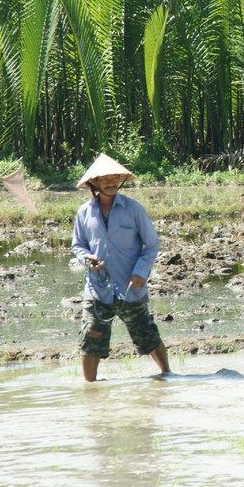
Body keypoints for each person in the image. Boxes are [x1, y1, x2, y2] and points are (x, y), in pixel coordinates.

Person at [71, 153, 170, 382]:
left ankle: (168, 375)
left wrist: (141, 273)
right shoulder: (84, 212)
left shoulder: (134, 209)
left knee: (148, 336)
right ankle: (90, 388)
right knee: (90, 339)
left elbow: (152, 244)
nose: (111, 183)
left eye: (115, 178)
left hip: (130, 286)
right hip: (98, 288)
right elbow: (78, 245)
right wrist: (88, 259)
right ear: (94, 183)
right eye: (105, 179)